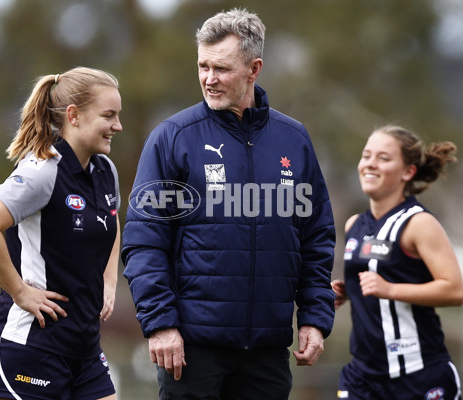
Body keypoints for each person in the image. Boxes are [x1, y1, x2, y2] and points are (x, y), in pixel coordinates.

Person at [121, 8, 336, 400]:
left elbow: (316, 238)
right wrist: (160, 325)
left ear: (254, 69)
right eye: (202, 66)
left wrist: (315, 319)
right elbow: (144, 242)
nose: (208, 79)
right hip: (189, 349)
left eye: (221, 68)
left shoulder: (294, 139)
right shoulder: (172, 138)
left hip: (267, 354)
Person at [0, 66, 122, 400]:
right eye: (108, 115)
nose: (117, 126)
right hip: (30, 349)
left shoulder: (104, 170)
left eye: (118, 115)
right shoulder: (42, 171)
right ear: (74, 116)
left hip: (85, 351)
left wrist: (109, 281)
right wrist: (20, 292)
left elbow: (111, 219)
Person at [331, 125, 463, 399]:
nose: (370, 164)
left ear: (408, 172)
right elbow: (375, 277)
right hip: (363, 378)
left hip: (418, 376)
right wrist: (347, 291)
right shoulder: (354, 225)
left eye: (383, 158)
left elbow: (454, 290)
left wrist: (390, 289)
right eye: (366, 155)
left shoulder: (418, 223)